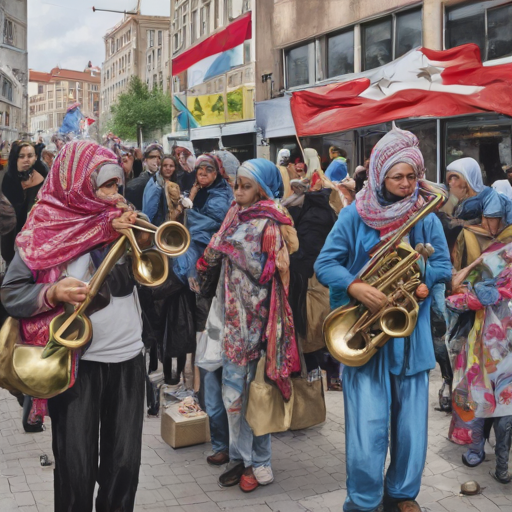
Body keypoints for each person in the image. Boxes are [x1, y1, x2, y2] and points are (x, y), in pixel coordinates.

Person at [1, 141, 146, 512]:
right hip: (76, 364)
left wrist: (142, 245)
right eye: (106, 186)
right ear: (77, 183)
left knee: (124, 466)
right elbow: (11, 292)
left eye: (118, 185)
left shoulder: (126, 219)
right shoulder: (47, 224)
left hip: (128, 357)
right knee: (75, 468)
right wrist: (53, 291)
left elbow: (153, 284)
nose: (116, 195)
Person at [315, 127, 452, 512]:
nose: (407, 185)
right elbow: (325, 263)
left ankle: (402, 494)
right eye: (398, 177)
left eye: (412, 176)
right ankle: (362, 500)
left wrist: (424, 279)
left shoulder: (426, 216)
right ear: (379, 175)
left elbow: (442, 263)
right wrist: (356, 287)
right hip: (366, 337)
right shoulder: (354, 216)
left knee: (411, 430)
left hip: (412, 340)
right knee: (368, 430)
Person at [197, 158, 300, 493]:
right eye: (236, 184)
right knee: (233, 395)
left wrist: (227, 245)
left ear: (262, 189)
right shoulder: (233, 215)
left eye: (246, 186)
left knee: (258, 393)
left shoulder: (271, 222)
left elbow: (266, 270)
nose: (238, 191)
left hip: (259, 323)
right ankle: (241, 458)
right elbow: (213, 254)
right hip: (231, 322)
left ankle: (261, 460)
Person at [445, 157, 512, 474]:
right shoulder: (470, 235)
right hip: (479, 331)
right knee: (479, 388)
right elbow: (458, 285)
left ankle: (497, 460)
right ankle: (476, 448)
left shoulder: (505, 244)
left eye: (495, 219)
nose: (491, 226)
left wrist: (486, 291)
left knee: (501, 395)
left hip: (499, 332)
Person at [159, 154, 234, 387]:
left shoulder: (221, 193)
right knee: (186, 321)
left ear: (217, 172)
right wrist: (189, 199)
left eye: (208, 169)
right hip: (188, 264)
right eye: (199, 168)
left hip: (209, 267)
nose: (202, 172)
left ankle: (203, 382)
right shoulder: (196, 190)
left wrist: (189, 210)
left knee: (204, 321)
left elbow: (213, 223)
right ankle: (188, 379)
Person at [2, 141, 47, 264]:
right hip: (11, 236)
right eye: (21, 156)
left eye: (30, 156)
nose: (26, 160)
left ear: (36, 157)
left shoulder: (43, 177)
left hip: (35, 240)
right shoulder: (7, 179)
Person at [142, 155, 179, 226]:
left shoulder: (175, 183)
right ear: (160, 167)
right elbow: (149, 210)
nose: (168, 168)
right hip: (156, 226)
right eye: (165, 165)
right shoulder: (155, 185)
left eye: (171, 166)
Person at [125, 143, 163, 210]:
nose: (156, 160)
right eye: (152, 157)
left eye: (159, 157)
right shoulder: (138, 183)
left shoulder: (163, 179)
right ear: (146, 160)